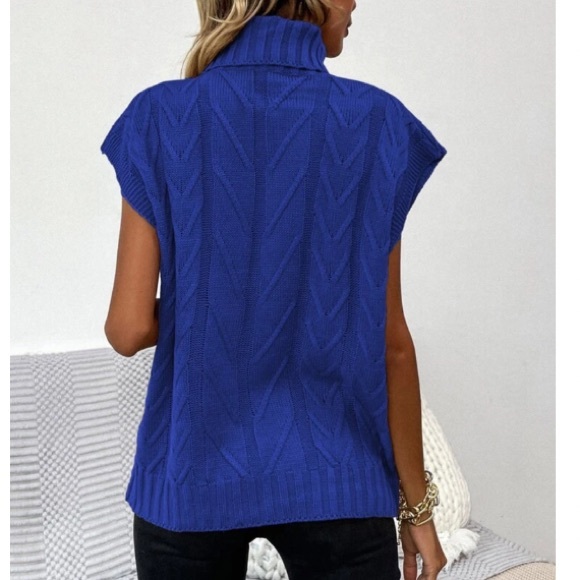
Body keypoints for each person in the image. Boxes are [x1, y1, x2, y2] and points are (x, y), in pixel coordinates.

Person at [100, 1, 449, 578]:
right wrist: (416, 509)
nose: (355, 3)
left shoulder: (160, 117)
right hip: (338, 483)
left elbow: (128, 328)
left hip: (189, 481)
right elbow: (391, 343)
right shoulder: (377, 123)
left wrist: (222, 303)